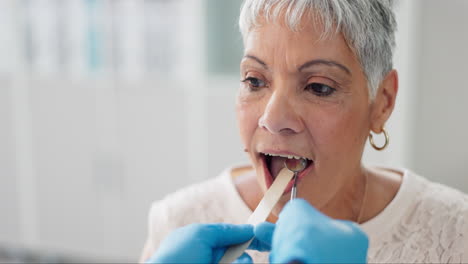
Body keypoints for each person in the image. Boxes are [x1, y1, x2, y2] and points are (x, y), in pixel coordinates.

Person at [140, 0, 468, 263]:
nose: (272, 117)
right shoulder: (178, 223)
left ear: (382, 103)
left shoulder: (455, 231)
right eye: (254, 81)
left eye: (318, 87)